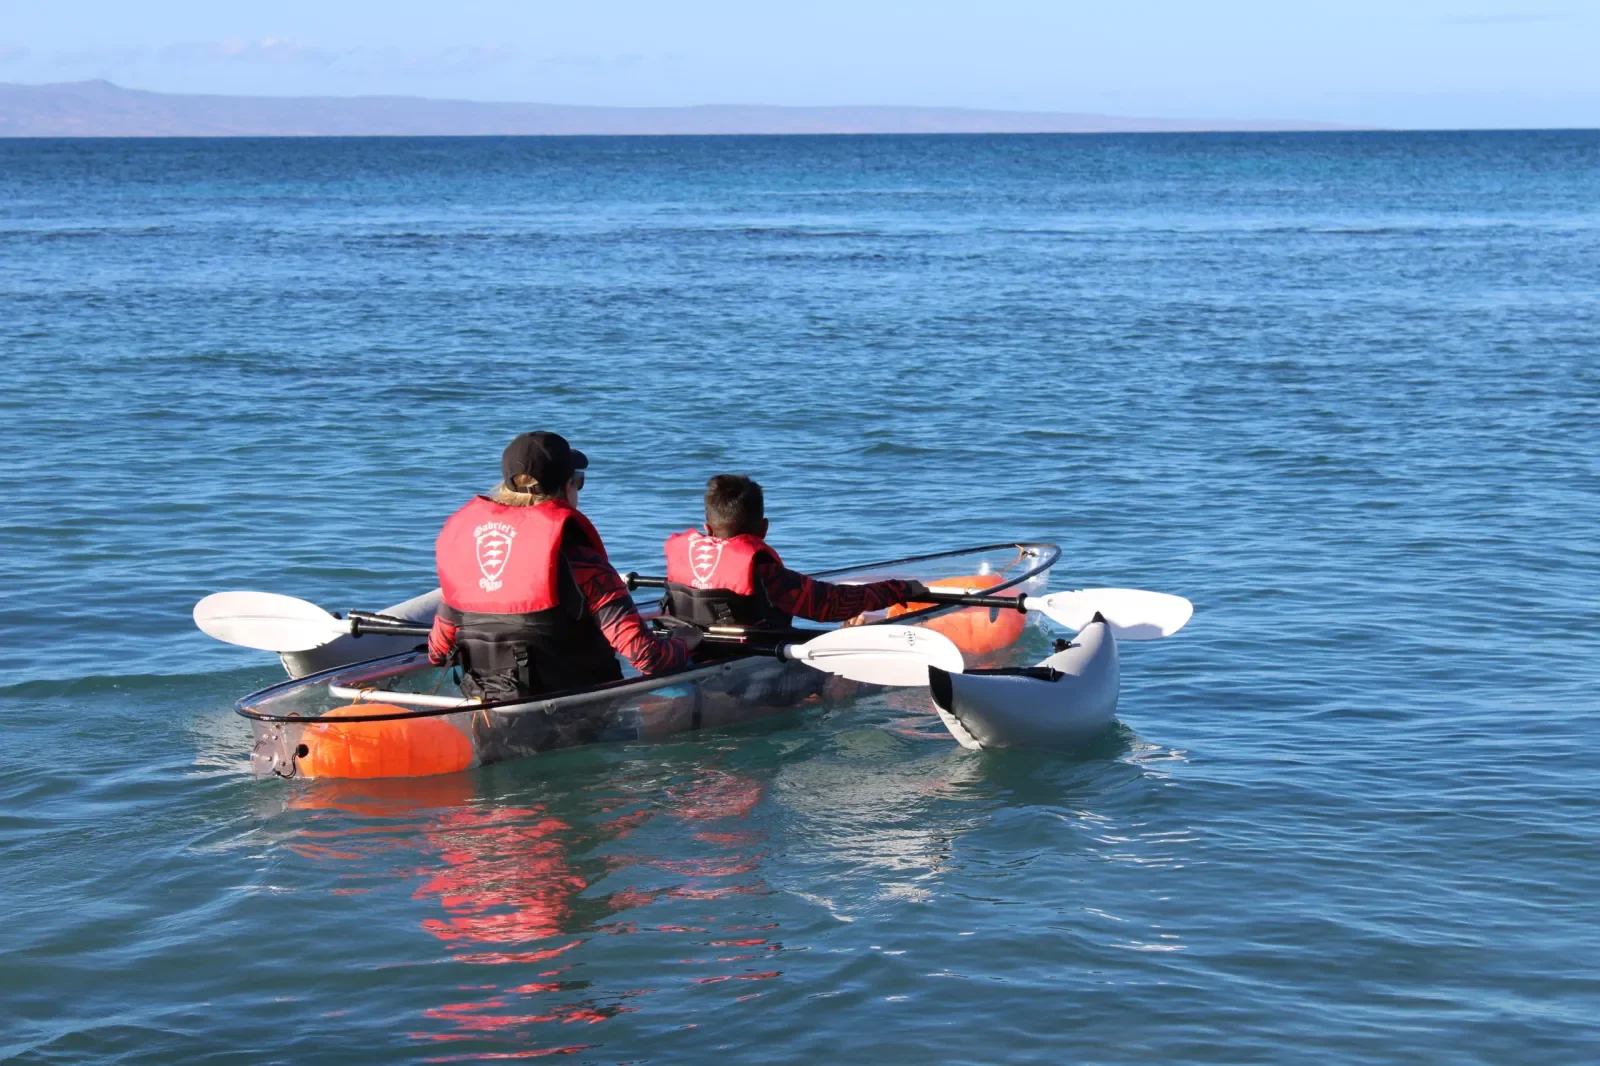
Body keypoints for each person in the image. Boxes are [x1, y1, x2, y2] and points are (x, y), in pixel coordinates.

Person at [429, 432, 698, 701]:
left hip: (491, 720)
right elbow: (647, 657)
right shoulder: (583, 563)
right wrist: (683, 642)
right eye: (579, 482)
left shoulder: (468, 559)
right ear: (567, 486)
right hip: (582, 720)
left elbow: (438, 653)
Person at [662, 474, 928, 630]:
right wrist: (899, 589)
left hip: (697, 658)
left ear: (707, 529)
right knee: (853, 633)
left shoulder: (682, 559)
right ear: (764, 529)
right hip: (754, 670)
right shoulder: (763, 572)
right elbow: (828, 604)